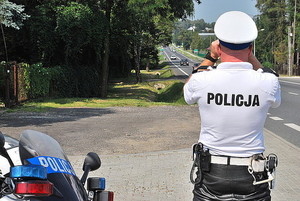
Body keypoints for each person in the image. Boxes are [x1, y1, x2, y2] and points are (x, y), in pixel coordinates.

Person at [184, 11, 281, 201]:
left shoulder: (202, 79)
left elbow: (187, 91)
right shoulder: (267, 82)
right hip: (253, 175)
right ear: (250, 48)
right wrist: (250, 57)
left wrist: (211, 57)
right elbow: (268, 76)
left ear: (219, 48)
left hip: (210, 175)